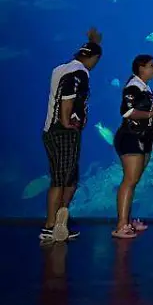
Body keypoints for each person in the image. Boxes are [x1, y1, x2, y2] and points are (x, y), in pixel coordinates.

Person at [40, 27, 102, 243]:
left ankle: (60, 221)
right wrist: (67, 122)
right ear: (92, 59)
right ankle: (50, 226)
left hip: (51, 130)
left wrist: (93, 41)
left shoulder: (60, 68)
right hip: (63, 131)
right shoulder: (80, 73)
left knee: (69, 178)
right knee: (60, 179)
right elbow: (68, 95)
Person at [112, 54, 153, 239]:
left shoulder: (147, 89)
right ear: (141, 68)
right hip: (131, 137)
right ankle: (121, 225)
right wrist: (151, 113)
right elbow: (127, 111)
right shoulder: (133, 87)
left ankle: (128, 220)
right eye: (152, 65)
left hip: (145, 138)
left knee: (134, 180)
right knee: (129, 180)